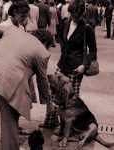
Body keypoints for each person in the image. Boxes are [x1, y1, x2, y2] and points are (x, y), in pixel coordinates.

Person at [39, 0, 97, 128]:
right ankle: (51, 121)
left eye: (75, 15)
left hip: (76, 69)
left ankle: (69, 128)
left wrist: (84, 65)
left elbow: (93, 50)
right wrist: (63, 51)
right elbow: (61, 38)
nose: (72, 17)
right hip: (62, 64)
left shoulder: (87, 28)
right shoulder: (66, 23)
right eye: (71, 14)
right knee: (52, 92)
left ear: (82, 14)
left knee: (70, 100)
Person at [0, 25, 53, 150]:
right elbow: (42, 81)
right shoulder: (42, 52)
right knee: (9, 125)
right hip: (8, 81)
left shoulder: (13, 31)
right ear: (46, 43)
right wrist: (48, 103)